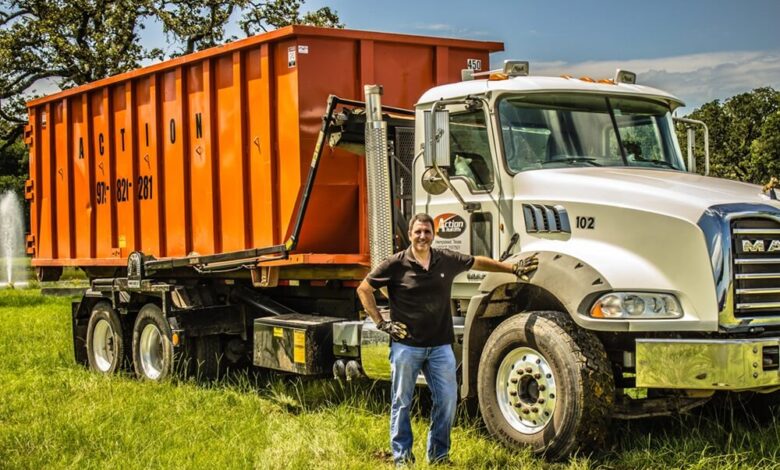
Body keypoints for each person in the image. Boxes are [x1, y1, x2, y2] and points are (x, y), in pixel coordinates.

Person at [356, 213, 538, 466]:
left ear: (433, 235)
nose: (422, 236)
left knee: (448, 401)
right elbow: (364, 289)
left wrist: (512, 268)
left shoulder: (445, 260)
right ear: (410, 234)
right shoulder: (395, 264)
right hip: (406, 348)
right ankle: (402, 458)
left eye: (427, 232)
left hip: (441, 346)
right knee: (402, 402)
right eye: (418, 231)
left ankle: (439, 456)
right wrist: (381, 323)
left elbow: (478, 262)